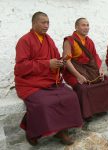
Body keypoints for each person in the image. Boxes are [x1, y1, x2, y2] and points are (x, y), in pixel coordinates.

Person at [14, 11, 83, 146]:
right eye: (43, 22)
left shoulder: (48, 39)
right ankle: (33, 131)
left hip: (49, 80)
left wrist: (61, 62)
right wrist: (47, 64)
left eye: (48, 22)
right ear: (34, 23)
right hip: (30, 83)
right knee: (43, 103)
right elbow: (20, 67)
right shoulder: (24, 41)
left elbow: (56, 57)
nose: (46, 25)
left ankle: (62, 130)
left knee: (70, 96)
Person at [62, 18, 108, 121]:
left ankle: (100, 108)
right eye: (83, 25)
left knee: (107, 82)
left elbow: (95, 57)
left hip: (89, 69)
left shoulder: (89, 41)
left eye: (87, 25)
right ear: (76, 27)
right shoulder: (69, 41)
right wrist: (78, 75)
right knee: (83, 88)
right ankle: (87, 113)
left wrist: (100, 70)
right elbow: (67, 61)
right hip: (73, 71)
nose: (86, 27)